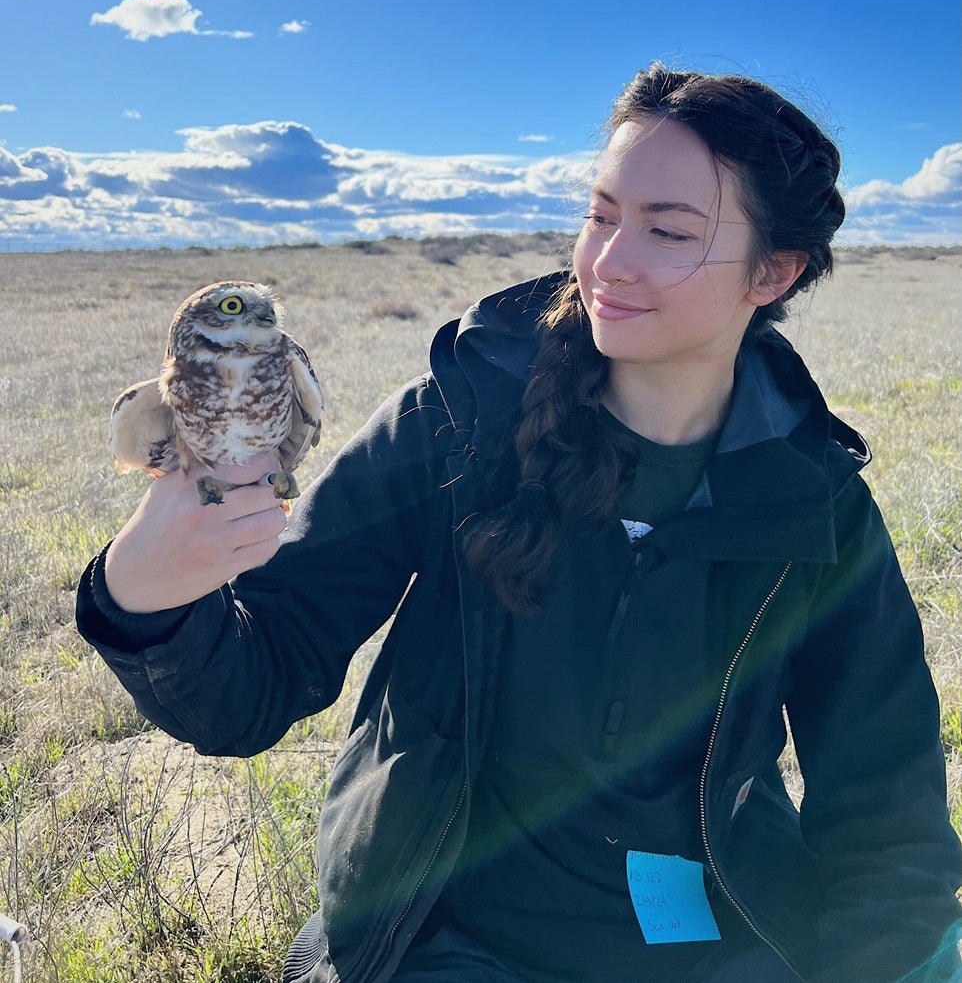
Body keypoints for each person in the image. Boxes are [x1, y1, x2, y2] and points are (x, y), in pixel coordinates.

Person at [76, 64, 962, 983]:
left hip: (724, 936)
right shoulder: (456, 423)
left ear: (773, 273)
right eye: (601, 213)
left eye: (667, 231)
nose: (609, 261)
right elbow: (254, 687)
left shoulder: (813, 503)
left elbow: (886, 814)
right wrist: (144, 599)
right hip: (448, 936)